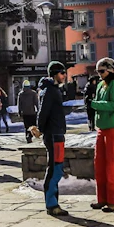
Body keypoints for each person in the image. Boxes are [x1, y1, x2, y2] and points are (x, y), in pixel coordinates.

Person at [89, 57, 114, 212]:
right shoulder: (101, 85)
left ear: (110, 69)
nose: (99, 74)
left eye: (102, 71)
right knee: (100, 165)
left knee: (112, 166)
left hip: (113, 129)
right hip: (102, 128)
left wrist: (94, 104)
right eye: (97, 71)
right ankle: (102, 198)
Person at [36, 61, 68, 216]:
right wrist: (40, 129)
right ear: (55, 74)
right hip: (54, 134)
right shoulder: (50, 91)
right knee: (55, 168)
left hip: (56, 133)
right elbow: (43, 112)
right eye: (62, 73)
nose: (64, 75)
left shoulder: (52, 89)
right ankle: (51, 204)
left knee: (56, 168)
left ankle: (53, 202)